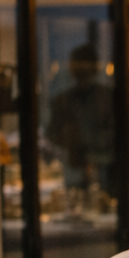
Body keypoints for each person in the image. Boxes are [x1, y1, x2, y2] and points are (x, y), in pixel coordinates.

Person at [46, 43, 114, 196]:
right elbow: (53, 133)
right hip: (74, 169)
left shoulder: (108, 98)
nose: (82, 70)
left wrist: (90, 149)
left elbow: (117, 133)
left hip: (104, 170)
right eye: (78, 65)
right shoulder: (62, 100)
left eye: (86, 65)